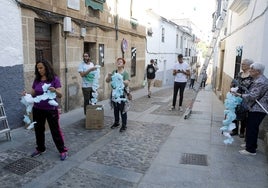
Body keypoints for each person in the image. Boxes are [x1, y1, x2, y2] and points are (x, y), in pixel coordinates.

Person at [23, 60, 68, 161]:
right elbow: (33, 94)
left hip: (51, 110)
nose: (39, 70)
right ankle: (40, 148)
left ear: (46, 67)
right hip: (38, 109)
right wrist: (26, 95)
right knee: (38, 130)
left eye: (41, 68)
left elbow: (60, 95)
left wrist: (55, 90)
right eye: (38, 68)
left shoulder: (54, 79)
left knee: (55, 130)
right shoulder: (37, 80)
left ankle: (62, 150)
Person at [232, 62, 268, 156]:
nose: (250, 71)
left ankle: (251, 150)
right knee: (251, 127)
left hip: (258, 109)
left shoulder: (261, 81)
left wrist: (239, 94)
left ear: (257, 71)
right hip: (253, 108)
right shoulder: (257, 79)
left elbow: (253, 96)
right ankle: (251, 144)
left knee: (252, 128)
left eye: (252, 69)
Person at [230, 59, 253, 137]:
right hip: (235, 96)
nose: (242, 66)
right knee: (234, 113)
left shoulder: (251, 76)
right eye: (242, 64)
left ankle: (242, 131)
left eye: (244, 64)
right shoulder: (239, 74)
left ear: (249, 66)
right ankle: (235, 130)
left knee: (243, 115)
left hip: (244, 97)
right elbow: (234, 82)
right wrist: (232, 86)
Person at [106, 58, 130, 132]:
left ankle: (124, 125)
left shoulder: (125, 73)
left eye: (121, 62)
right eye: (118, 62)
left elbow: (127, 82)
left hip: (122, 94)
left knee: (123, 110)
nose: (119, 63)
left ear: (123, 64)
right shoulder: (114, 72)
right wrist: (109, 76)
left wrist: (121, 80)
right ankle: (116, 123)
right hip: (114, 94)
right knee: (116, 109)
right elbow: (107, 81)